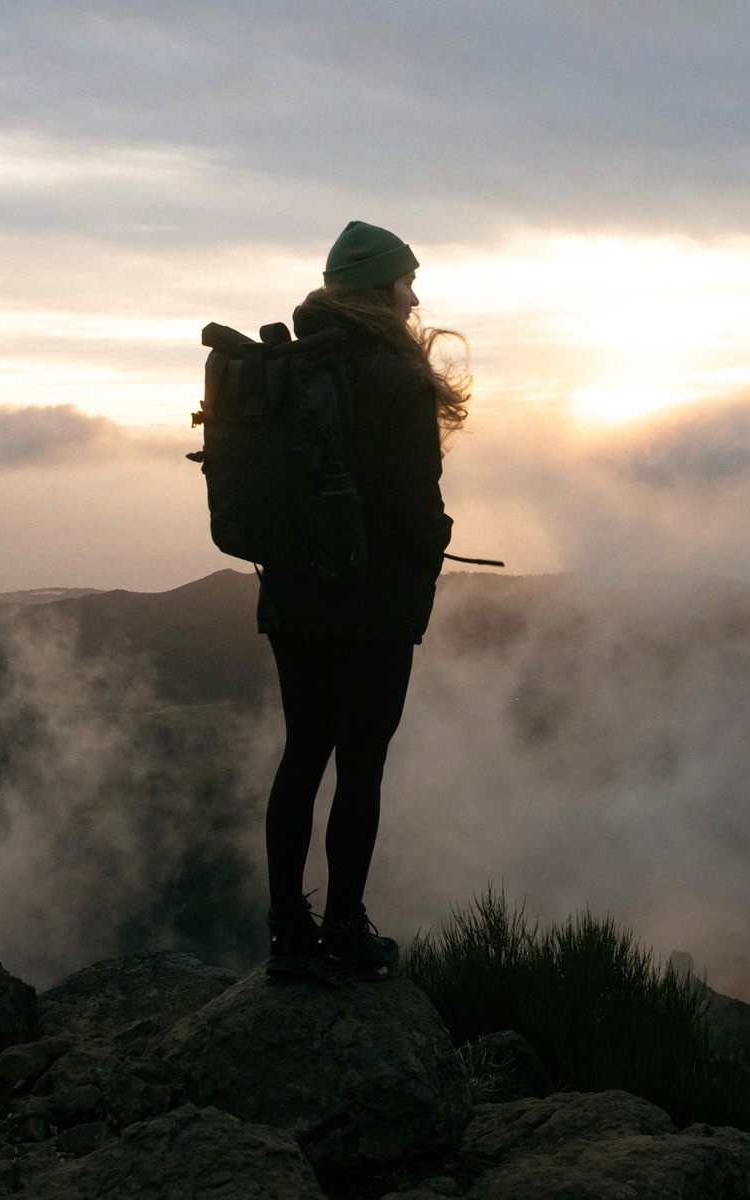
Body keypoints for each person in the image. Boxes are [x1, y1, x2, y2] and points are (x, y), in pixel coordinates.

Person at [259, 220, 467, 983]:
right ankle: (344, 931)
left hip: (290, 589)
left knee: (302, 754)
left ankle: (288, 934)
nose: (415, 296)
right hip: (372, 599)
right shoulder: (395, 374)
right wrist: (438, 537)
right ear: (382, 287)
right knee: (361, 767)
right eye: (406, 281)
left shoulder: (289, 362)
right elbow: (416, 501)